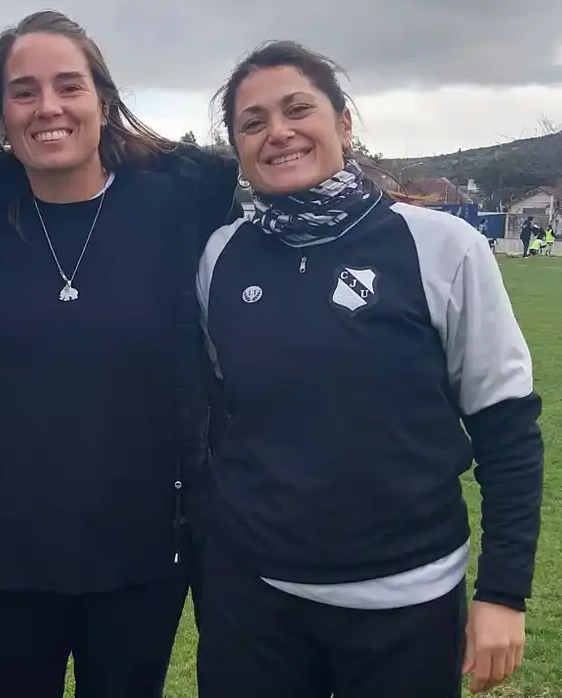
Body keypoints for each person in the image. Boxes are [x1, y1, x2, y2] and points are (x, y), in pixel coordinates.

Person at [193, 41, 544, 697]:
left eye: (299, 109)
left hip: (406, 603)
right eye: (253, 122)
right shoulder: (223, 256)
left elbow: (508, 430)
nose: (279, 133)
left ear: (344, 123)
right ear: (238, 147)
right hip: (254, 599)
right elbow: (225, 417)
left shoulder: (442, 246)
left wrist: (503, 594)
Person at [0, 10, 240, 698]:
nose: (48, 107)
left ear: (102, 103)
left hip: (141, 555)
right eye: (24, 91)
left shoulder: (177, 212)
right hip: (0, 557)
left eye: (68, 86)